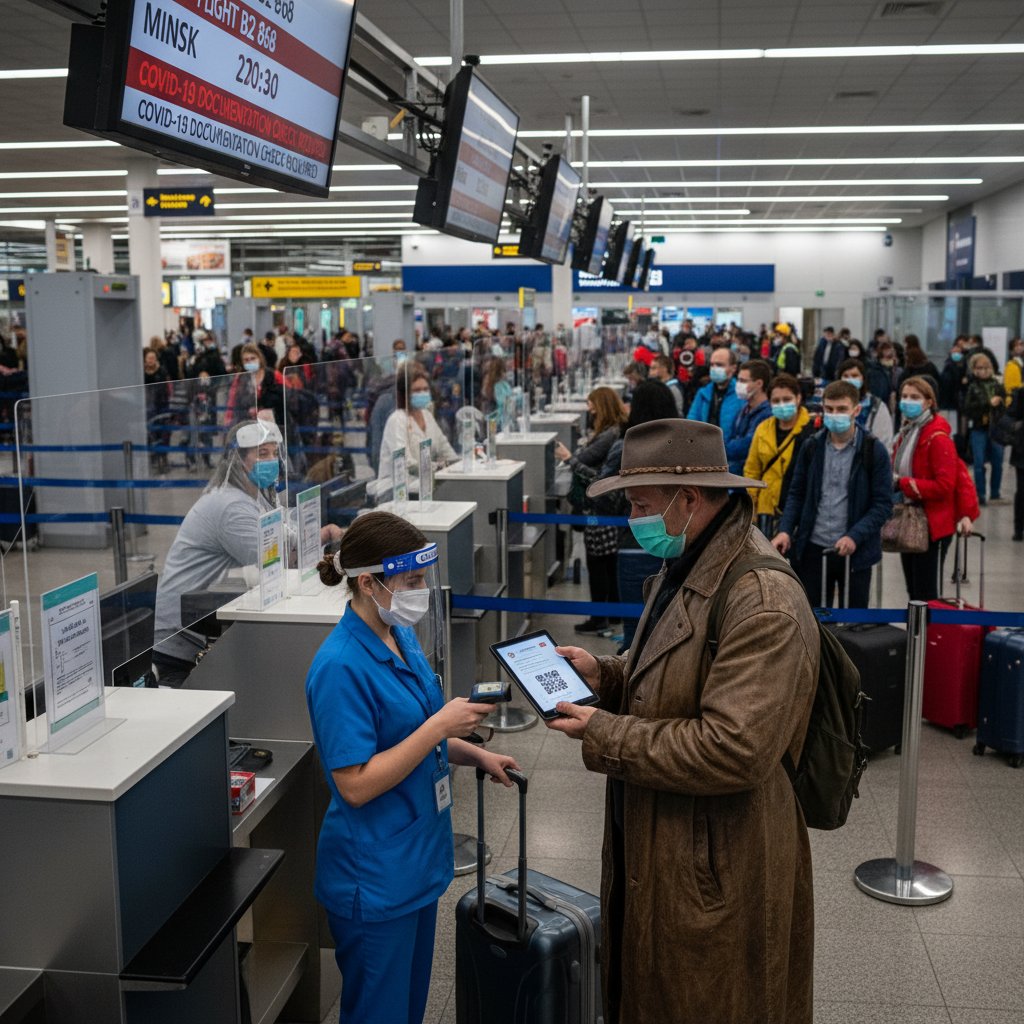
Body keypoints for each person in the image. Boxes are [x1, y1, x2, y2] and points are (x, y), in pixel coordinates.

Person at [545, 417, 818, 1024]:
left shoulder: (761, 601)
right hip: (667, 838)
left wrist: (604, 732)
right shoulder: (690, 558)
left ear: (687, 499)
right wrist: (607, 675)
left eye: (641, 504)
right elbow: (676, 669)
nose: (632, 518)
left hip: (720, 862)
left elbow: (734, 748)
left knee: (710, 999)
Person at [306, 512, 518, 1024]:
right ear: (367, 583)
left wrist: (476, 753)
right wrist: (440, 728)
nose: (420, 593)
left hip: (416, 860)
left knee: (408, 1008)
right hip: (374, 878)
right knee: (379, 1012)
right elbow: (354, 786)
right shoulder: (339, 667)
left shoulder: (398, 636)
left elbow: (420, 735)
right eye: (411, 582)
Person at [153, 419, 343, 685]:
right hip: (182, 644)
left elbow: (288, 537)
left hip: (209, 617)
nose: (271, 460)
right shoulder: (230, 506)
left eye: (274, 453)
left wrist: (321, 535)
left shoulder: (256, 496)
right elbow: (274, 562)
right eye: (261, 453)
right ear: (238, 459)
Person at [773, 381, 893, 608]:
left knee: (853, 625)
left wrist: (854, 536)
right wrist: (786, 530)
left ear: (856, 411)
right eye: (829, 409)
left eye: (841, 409)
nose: (834, 415)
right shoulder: (811, 446)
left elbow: (883, 504)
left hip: (855, 553)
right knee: (814, 619)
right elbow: (796, 493)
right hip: (813, 548)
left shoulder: (873, 450)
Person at [555, 387, 629, 636]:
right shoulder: (613, 433)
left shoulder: (609, 435)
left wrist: (568, 458)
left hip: (600, 506)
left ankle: (599, 618)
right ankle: (613, 613)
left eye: (592, 406)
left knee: (598, 562)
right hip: (610, 506)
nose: (589, 411)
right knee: (608, 562)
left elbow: (586, 461)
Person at [890, 376, 958, 601]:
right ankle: (916, 635)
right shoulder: (906, 433)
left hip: (932, 525)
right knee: (913, 590)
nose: (907, 401)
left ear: (929, 402)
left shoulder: (937, 438)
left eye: (914, 397)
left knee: (926, 593)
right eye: (904, 396)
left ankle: (928, 636)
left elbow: (945, 486)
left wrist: (903, 483)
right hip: (910, 520)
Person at [744, 372, 812, 537]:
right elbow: (752, 469)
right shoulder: (763, 429)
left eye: (787, 399)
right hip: (766, 507)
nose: (782, 404)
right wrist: (752, 503)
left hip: (799, 507)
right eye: (776, 401)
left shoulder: (810, 430)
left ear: (798, 398)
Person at [376, 368, 458, 498]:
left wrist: (457, 464)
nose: (423, 393)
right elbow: (406, 463)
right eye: (417, 390)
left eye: (425, 389)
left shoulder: (427, 415)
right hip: (396, 491)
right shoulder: (397, 420)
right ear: (405, 394)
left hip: (424, 486)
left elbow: (445, 448)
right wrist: (437, 467)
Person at [963, 352, 1006, 505]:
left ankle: (995, 493)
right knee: (979, 463)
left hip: (996, 428)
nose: (983, 371)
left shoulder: (998, 385)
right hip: (978, 428)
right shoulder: (972, 387)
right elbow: (968, 409)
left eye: (986, 367)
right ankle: (980, 494)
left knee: (998, 462)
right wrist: (988, 403)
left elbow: (1006, 406)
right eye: (979, 368)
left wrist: (1000, 402)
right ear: (974, 369)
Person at [724, 358, 772, 475]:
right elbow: (731, 435)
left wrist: (721, 449)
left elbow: (748, 445)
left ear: (759, 383)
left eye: (743, 381)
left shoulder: (767, 414)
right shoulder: (744, 409)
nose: (738, 385)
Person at [837, 357, 894, 449]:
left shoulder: (876, 406)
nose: (850, 379)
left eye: (854, 375)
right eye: (846, 376)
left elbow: (884, 440)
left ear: (863, 379)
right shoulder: (833, 404)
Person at [687, 347, 743, 439]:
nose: (714, 368)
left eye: (720, 365)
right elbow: (691, 422)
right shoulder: (703, 393)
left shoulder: (740, 395)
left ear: (733, 368)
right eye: (712, 365)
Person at [992, 386, 1024, 540]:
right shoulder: (1022, 393)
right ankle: (1019, 529)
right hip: (1022, 451)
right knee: (1022, 491)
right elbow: (1007, 417)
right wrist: (1016, 426)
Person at [225, 344, 285, 426]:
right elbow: (232, 401)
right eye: (246, 360)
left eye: (253, 358)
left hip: (273, 422)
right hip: (247, 422)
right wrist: (228, 420)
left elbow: (285, 396)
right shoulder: (240, 379)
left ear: (259, 358)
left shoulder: (274, 375)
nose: (250, 362)